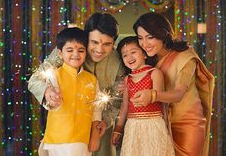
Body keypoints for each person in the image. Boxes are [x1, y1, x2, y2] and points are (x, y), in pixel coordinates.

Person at [28, 13, 124, 156]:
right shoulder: (68, 50)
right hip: (65, 130)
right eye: (94, 42)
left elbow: (116, 98)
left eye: (107, 44)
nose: (99, 49)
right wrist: (47, 91)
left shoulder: (118, 61)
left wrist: (104, 122)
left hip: (100, 126)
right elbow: (35, 79)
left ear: (114, 43)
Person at [132, 12, 214, 156]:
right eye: (140, 38)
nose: (144, 44)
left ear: (163, 34)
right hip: (160, 125)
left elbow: (178, 94)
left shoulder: (185, 58)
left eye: (150, 37)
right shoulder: (148, 61)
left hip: (188, 125)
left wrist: (152, 96)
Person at [37, 27, 102, 156]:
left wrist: (95, 137)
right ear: (60, 53)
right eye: (70, 50)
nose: (76, 54)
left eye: (81, 50)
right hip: (56, 139)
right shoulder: (54, 75)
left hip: (82, 139)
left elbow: (97, 110)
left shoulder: (92, 80)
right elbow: (49, 103)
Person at [111, 36, 175, 156]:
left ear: (145, 54)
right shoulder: (127, 79)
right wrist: (118, 129)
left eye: (133, 52)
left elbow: (160, 99)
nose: (129, 57)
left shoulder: (154, 73)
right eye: (125, 55)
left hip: (153, 124)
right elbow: (125, 106)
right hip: (132, 126)